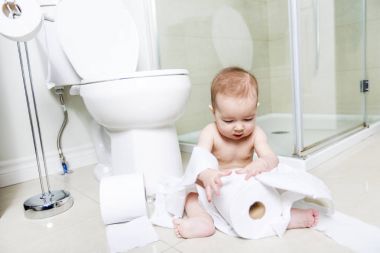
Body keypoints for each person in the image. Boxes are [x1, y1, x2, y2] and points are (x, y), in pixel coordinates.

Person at [173, 67, 319, 239]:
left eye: (248, 119)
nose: (239, 127)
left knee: (270, 195)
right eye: (228, 120)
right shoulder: (210, 132)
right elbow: (199, 160)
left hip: (246, 183)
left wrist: (262, 163)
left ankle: (290, 216)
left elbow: (272, 158)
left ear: (256, 109)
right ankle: (202, 220)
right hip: (217, 186)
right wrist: (207, 174)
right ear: (214, 112)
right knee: (191, 196)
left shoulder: (256, 133)